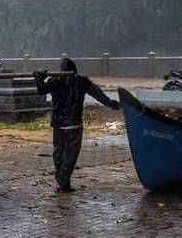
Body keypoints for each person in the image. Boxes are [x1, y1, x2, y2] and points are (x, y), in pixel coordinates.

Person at [34, 58, 119, 193]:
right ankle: (63, 181)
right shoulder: (82, 80)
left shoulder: (56, 80)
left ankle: (62, 181)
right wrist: (110, 103)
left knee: (59, 153)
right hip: (74, 124)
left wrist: (39, 77)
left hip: (59, 124)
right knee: (70, 155)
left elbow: (41, 90)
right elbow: (98, 94)